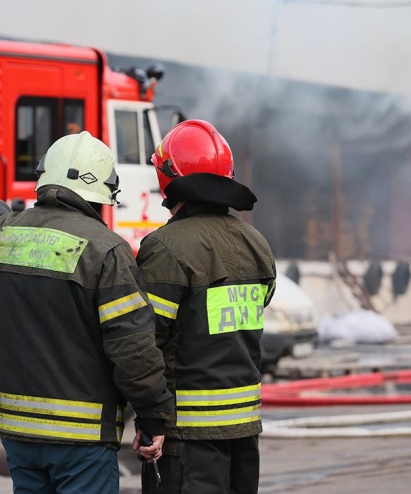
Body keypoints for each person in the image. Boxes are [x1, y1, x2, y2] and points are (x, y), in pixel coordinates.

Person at [0, 131, 173, 494]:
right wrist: (154, 416)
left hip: (18, 431)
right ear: (103, 193)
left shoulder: (3, 234)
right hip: (82, 437)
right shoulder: (107, 251)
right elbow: (133, 351)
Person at [134, 120, 276, 494]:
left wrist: (151, 421)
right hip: (244, 432)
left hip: (187, 439)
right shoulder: (256, 244)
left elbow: (146, 343)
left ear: (167, 174)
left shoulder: (166, 248)